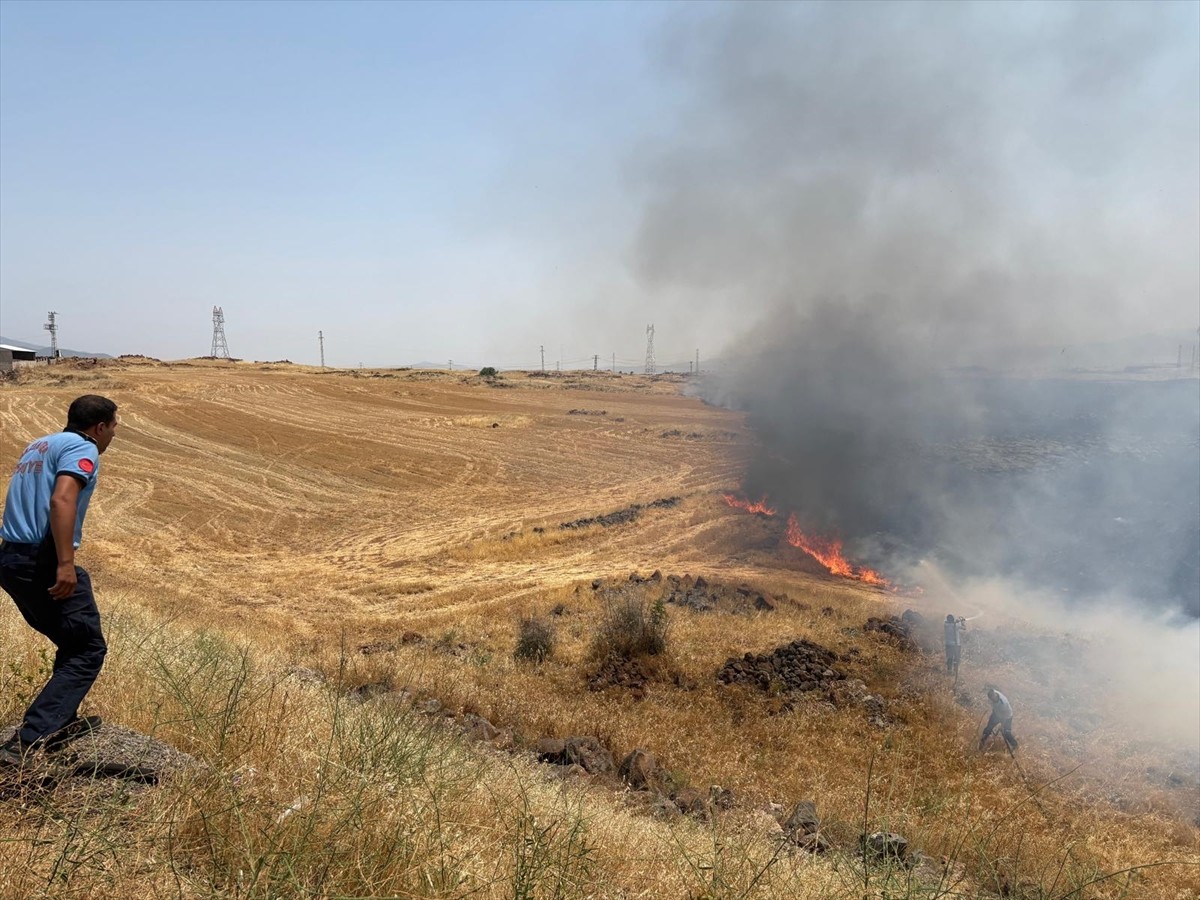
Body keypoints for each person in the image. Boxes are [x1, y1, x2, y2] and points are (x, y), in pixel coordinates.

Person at [0, 395, 119, 767]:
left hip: (10, 556)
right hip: (43, 559)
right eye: (114, 426)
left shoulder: (39, 443)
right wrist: (65, 564)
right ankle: (28, 741)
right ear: (100, 427)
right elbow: (61, 500)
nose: (114, 433)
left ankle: (58, 722)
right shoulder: (83, 448)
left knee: (72, 640)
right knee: (87, 650)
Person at [979, 687, 1019, 752]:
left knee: (1006, 733)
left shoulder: (1003, 704)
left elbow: (1004, 716)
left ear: (995, 696)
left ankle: (1015, 745)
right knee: (988, 728)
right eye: (991, 698)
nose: (992, 699)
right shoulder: (993, 693)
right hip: (996, 713)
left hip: (1007, 716)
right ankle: (981, 743)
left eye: (993, 698)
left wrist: (1002, 725)